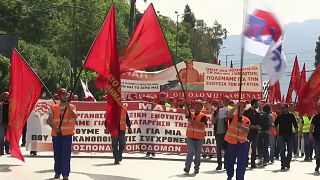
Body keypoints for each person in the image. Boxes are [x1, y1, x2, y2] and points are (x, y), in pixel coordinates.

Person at [47, 88, 77, 180]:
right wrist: (55, 128)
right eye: (63, 95)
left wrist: (68, 107)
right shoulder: (53, 107)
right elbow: (49, 120)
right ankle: (57, 172)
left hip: (67, 135)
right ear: (59, 96)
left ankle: (65, 174)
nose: (65, 96)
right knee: (57, 154)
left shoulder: (72, 107)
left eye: (66, 95)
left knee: (66, 154)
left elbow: (74, 116)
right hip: (56, 135)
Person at [225, 102, 250, 180]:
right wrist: (236, 106)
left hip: (242, 144)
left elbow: (247, 130)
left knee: (242, 163)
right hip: (231, 143)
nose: (241, 111)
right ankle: (229, 175)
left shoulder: (246, 120)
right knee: (229, 162)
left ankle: (239, 178)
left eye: (242, 109)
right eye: (239, 109)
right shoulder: (232, 116)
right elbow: (228, 114)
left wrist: (241, 126)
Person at [183, 100, 207, 174]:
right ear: (194, 106)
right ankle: (187, 167)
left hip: (199, 138)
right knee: (190, 152)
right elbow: (186, 114)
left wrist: (195, 122)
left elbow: (202, 124)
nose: (197, 107)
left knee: (197, 154)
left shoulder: (203, 116)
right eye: (196, 105)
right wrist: (186, 106)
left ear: (201, 107)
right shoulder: (191, 114)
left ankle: (196, 168)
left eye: (199, 106)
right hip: (190, 137)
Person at [274, 104, 298, 170]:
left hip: (290, 135)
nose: (282, 109)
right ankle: (283, 164)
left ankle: (288, 162)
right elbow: (275, 124)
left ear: (287, 108)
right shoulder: (279, 116)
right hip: (281, 135)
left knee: (290, 151)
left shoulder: (291, 116)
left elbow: (295, 125)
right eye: (281, 108)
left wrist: (296, 132)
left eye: (283, 108)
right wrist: (276, 132)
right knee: (282, 150)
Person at [243, 99, 261, 168]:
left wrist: (258, 127)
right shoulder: (246, 112)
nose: (258, 105)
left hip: (255, 133)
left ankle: (253, 162)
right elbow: (244, 122)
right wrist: (251, 126)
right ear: (253, 104)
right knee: (246, 148)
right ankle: (245, 162)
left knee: (254, 148)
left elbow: (259, 123)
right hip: (247, 133)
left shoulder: (257, 114)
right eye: (257, 104)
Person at [212, 98, 229, 170]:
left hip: (226, 133)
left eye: (222, 104)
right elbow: (213, 122)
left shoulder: (226, 111)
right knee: (219, 150)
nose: (220, 106)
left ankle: (226, 164)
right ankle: (219, 164)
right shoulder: (215, 112)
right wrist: (218, 115)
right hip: (218, 133)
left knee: (226, 149)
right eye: (219, 105)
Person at [309, 102, 320, 171]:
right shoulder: (316, 117)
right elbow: (311, 126)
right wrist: (310, 134)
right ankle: (318, 164)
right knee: (317, 152)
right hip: (317, 137)